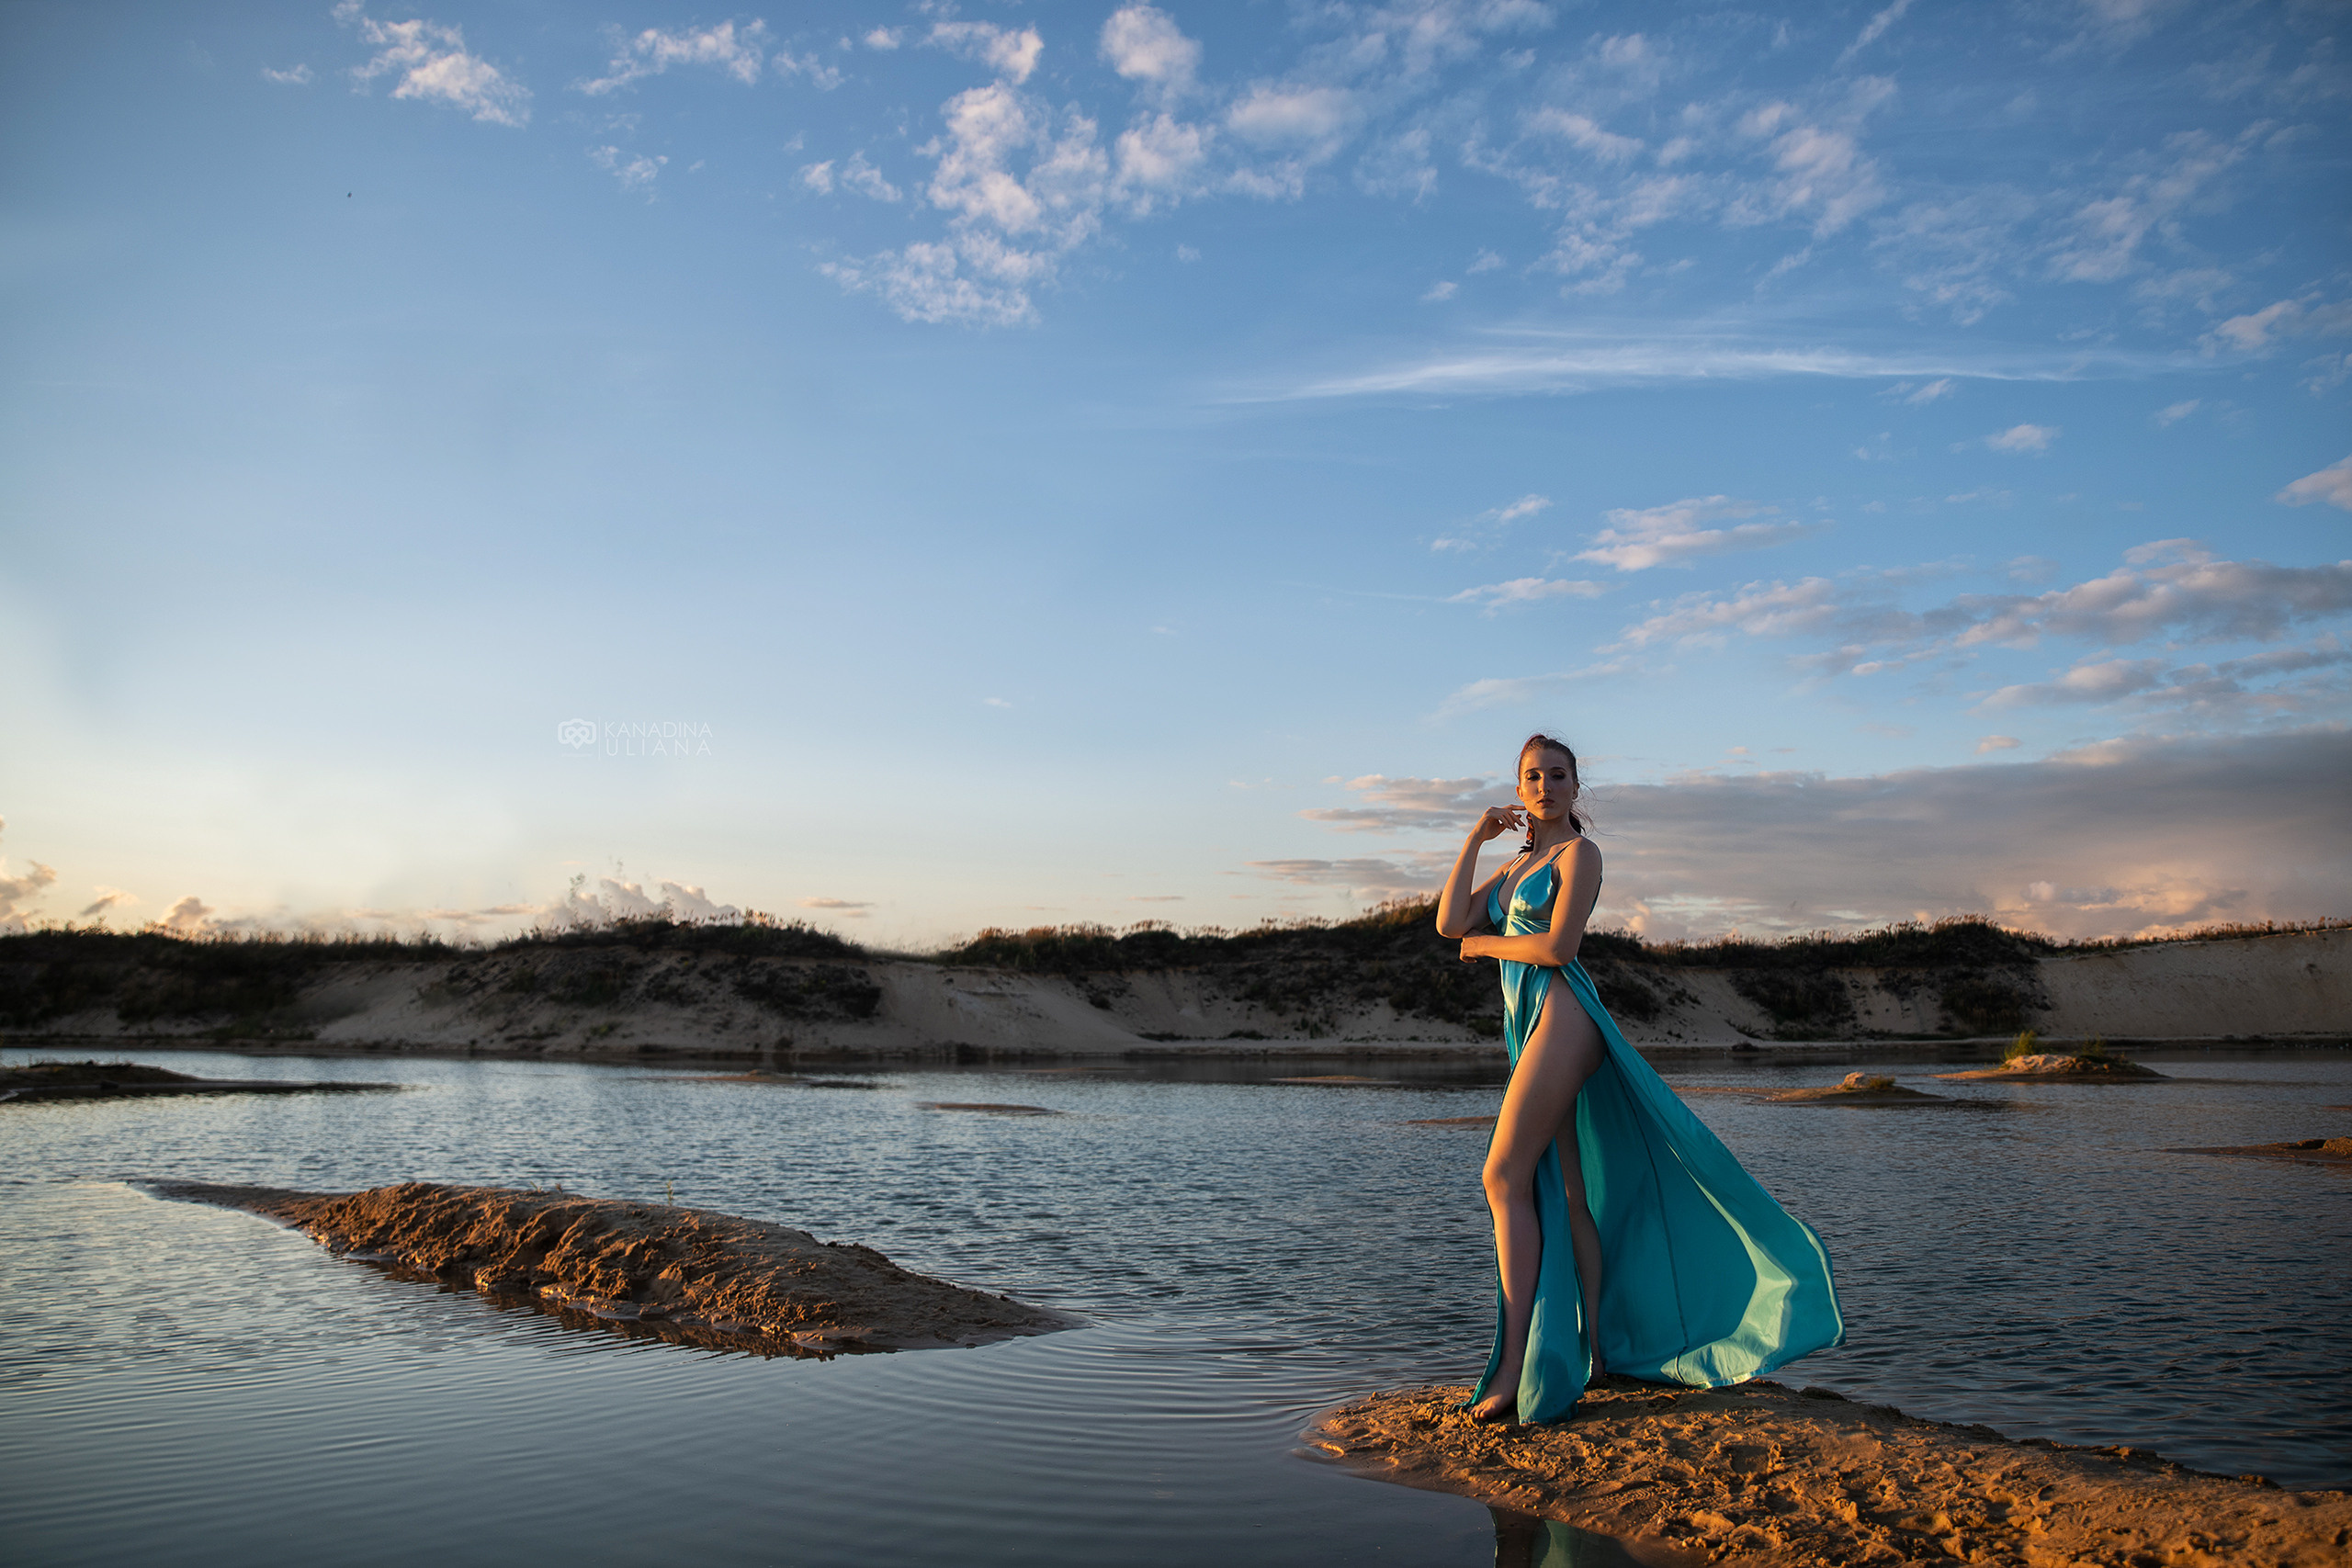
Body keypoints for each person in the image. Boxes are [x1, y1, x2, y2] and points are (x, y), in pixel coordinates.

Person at [1435, 734, 1844, 1425]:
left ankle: (1513, 1365)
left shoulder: (1579, 854)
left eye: (1557, 775)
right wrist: (1477, 835)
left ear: (1574, 784)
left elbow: (1557, 946)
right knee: (1566, 1189)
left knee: (1502, 1176)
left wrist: (1486, 945)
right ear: (1520, 787)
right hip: (1530, 1020)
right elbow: (1448, 921)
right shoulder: (1517, 863)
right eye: (1532, 777)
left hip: (1564, 1017)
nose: (1544, 786)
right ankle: (1595, 1351)